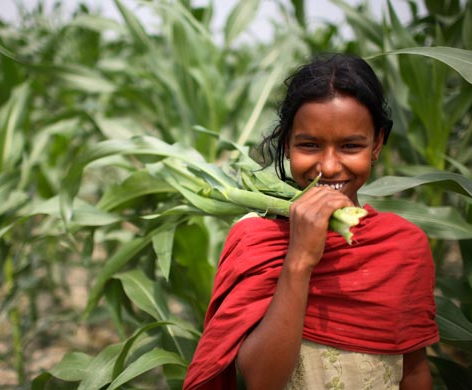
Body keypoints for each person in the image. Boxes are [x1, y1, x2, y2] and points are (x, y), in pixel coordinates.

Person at [183, 53, 439, 390]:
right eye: (310, 145)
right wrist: (300, 260)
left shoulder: (403, 246)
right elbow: (261, 381)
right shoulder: (258, 240)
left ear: (376, 144)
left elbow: (414, 371)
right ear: (287, 144)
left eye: (350, 146)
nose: (329, 166)